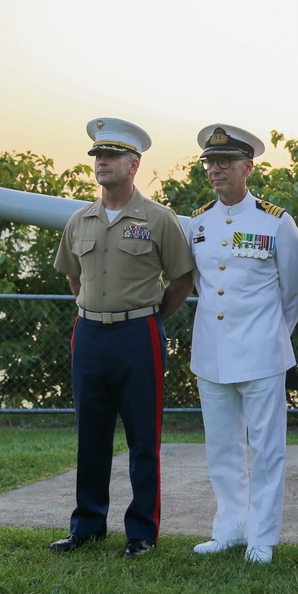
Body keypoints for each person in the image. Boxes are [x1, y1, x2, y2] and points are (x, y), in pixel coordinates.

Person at [50, 117, 195, 559]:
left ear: (134, 164)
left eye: (111, 156)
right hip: (90, 334)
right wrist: (95, 309)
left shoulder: (158, 218)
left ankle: (142, 533)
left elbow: (182, 279)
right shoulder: (80, 220)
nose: (102, 163)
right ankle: (87, 527)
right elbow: (73, 278)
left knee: (142, 439)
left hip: (139, 336)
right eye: (97, 155)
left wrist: (148, 319)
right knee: (90, 436)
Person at [188, 124, 298, 564]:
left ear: (247, 166)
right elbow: (202, 283)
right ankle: (229, 528)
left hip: (261, 354)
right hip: (211, 354)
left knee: (267, 449)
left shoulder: (276, 221)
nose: (215, 170)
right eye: (210, 163)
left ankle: (262, 537)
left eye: (225, 162)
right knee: (221, 447)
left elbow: (293, 292)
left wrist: (271, 336)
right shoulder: (198, 222)